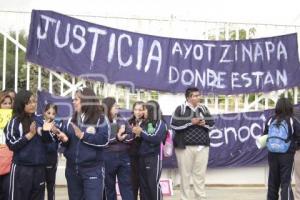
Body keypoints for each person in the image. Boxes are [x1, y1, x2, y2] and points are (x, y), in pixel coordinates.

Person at [57, 88, 109, 200]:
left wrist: (84, 136)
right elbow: (67, 143)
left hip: (92, 170)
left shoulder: (100, 119)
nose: (73, 102)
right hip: (72, 170)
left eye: (76, 99)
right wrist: (64, 139)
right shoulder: (71, 119)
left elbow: (104, 140)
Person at [170, 87, 214, 200]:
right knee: (185, 175)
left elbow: (212, 123)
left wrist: (204, 123)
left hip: (202, 147)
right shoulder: (181, 109)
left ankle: (200, 197)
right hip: (184, 148)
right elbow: (174, 124)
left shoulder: (203, 108)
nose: (198, 97)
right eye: (195, 95)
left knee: (200, 175)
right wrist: (190, 122)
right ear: (188, 97)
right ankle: (185, 198)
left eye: (198, 95)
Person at [4, 90, 48, 200]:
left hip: (39, 169)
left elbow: (50, 143)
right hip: (21, 169)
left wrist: (47, 132)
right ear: (21, 104)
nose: (33, 105)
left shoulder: (40, 119)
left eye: (34, 101)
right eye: (29, 102)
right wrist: (30, 135)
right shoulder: (14, 122)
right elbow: (12, 145)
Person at [263, 97, 300, 200]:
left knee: (272, 183)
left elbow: (265, 136)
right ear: (290, 107)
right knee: (285, 183)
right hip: (287, 155)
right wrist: (294, 147)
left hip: (272, 155)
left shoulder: (270, 120)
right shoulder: (292, 120)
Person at [132, 100, 167, 200]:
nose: (143, 112)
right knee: (144, 186)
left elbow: (155, 138)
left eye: (145, 110)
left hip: (153, 157)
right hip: (142, 157)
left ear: (152, 111)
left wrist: (141, 133)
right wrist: (135, 133)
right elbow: (141, 137)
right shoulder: (144, 122)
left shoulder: (161, 123)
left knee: (152, 184)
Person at [102, 97, 134, 200]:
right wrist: (116, 137)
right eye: (115, 106)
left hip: (124, 156)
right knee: (109, 187)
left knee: (127, 186)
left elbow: (131, 135)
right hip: (108, 156)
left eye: (117, 106)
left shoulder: (122, 119)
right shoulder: (101, 121)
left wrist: (123, 138)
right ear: (108, 107)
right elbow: (102, 139)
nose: (117, 107)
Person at [36, 103, 61, 200]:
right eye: (48, 112)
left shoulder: (58, 125)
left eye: (53, 114)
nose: (50, 115)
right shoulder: (38, 122)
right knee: (40, 186)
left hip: (51, 159)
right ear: (44, 112)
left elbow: (58, 141)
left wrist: (56, 132)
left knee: (51, 185)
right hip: (40, 159)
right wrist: (45, 129)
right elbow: (39, 132)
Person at [128, 101, 144, 200]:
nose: (138, 112)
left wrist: (141, 134)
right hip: (132, 156)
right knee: (133, 183)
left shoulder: (148, 122)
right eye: (136, 109)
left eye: (140, 110)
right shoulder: (129, 122)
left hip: (144, 156)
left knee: (144, 185)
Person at [0, 92, 13, 200]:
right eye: (4, 103)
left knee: (7, 193)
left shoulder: (15, 121)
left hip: (9, 163)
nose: (8, 106)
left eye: (9, 103)